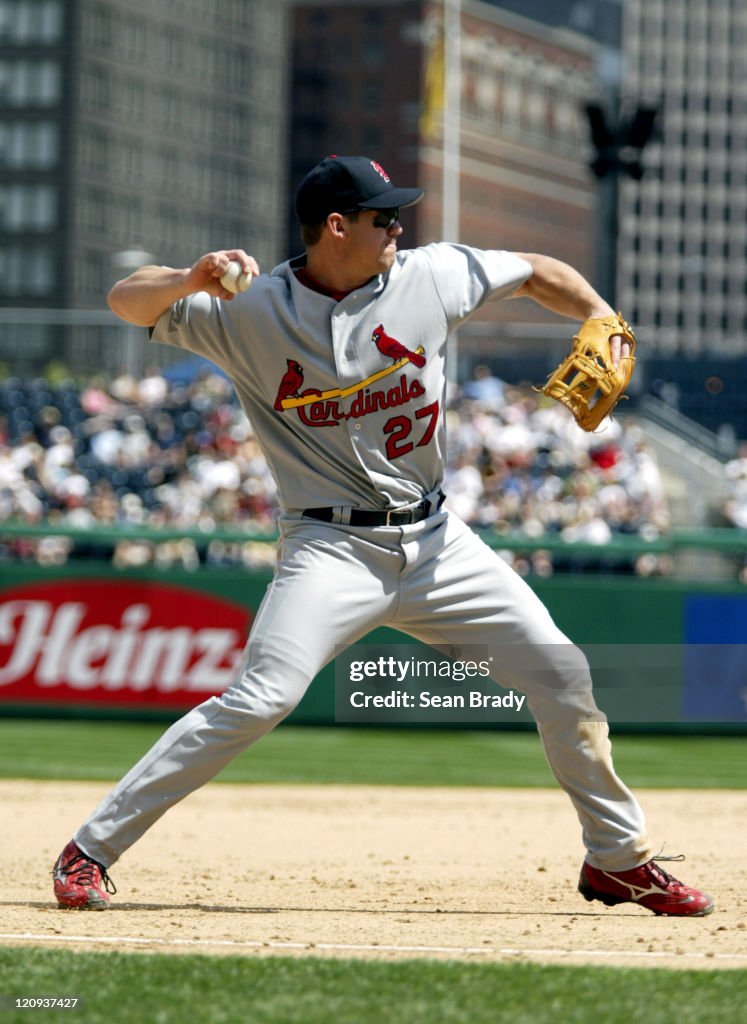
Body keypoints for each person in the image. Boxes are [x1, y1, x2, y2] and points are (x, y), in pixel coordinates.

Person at [53, 155, 712, 917]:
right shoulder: (247, 310)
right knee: (259, 698)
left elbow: (533, 270)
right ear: (336, 227)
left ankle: (617, 861)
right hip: (328, 548)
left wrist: (597, 310)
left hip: (437, 543)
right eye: (382, 217)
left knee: (561, 676)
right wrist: (186, 279)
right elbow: (123, 300)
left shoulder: (429, 276)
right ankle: (89, 849)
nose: (399, 226)